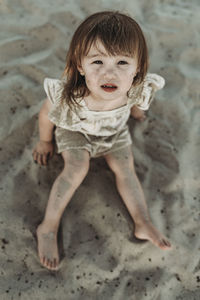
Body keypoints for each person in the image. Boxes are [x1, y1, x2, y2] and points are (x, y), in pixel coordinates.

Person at [32, 11, 171, 271]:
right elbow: (45, 114)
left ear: (138, 67)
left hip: (114, 134)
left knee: (126, 169)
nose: (110, 73)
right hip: (76, 131)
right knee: (76, 169)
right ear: (80, 65)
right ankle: (48, 227)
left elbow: (136, 100)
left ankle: (142, 222)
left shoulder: (135, 89)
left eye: (122, 63)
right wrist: (44, 142)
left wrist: (136, 110)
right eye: (97, 61)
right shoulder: (69, 95)